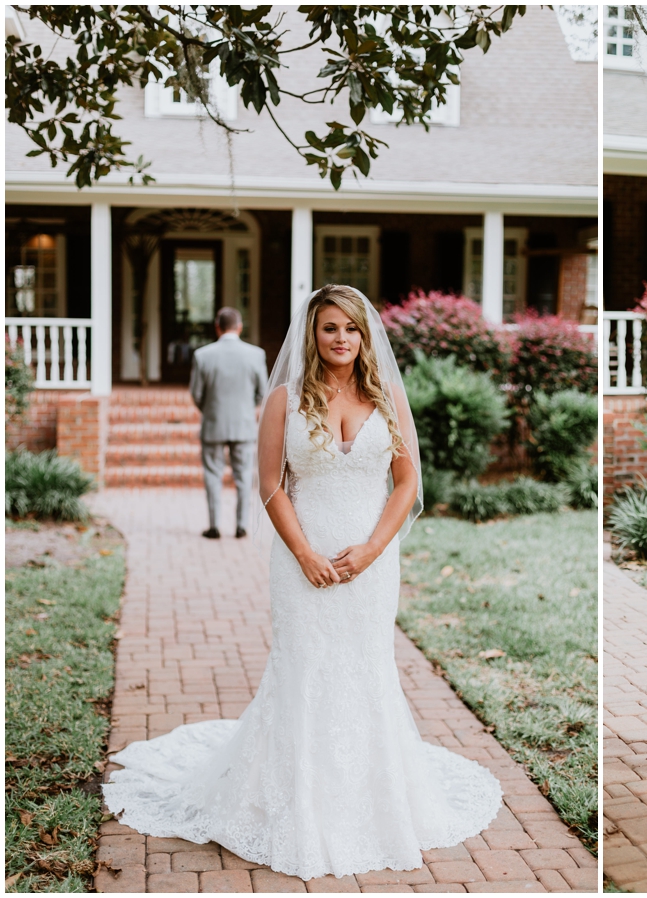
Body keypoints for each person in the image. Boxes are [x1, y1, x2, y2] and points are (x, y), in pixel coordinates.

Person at [103, 285, 502, 880]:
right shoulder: (286, 399)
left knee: (366, 667)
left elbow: (406, 484)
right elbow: (270, 484)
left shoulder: (388, 396)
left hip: (371, 563)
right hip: (300, 559)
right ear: (312, 336)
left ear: (366, 337)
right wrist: (305, 554)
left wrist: (370, 550)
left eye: (351, 329)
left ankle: (372, 801)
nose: (341, 338)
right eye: (329, 328)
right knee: (305, 666)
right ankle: (293, 802)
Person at [189, 307, 269, 539]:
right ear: (239, 326)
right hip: (243, 426)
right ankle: (241, 526)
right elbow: (262, 392)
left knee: (212, 476)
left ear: (217, 327)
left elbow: (196, 394)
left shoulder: (203, 355)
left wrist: (211, 410)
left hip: (213, 424)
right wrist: (245, 409)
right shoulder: (256, 354)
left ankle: (214, 526)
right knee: (244, 477)